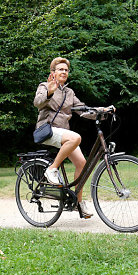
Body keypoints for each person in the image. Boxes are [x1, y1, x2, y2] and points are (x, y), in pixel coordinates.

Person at [33, 57, 113, 219]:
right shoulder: (44, 86)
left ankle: (78, 202)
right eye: (60, 69)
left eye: (66, 70)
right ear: (53, 73)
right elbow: (37, 103)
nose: (64, 72)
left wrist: (101, 111)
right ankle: (51, 169)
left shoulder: (69, 92)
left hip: (63, 133)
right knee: (76, 138)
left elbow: (82, 109)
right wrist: (50, 90)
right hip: (47, 130)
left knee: (82, 164)